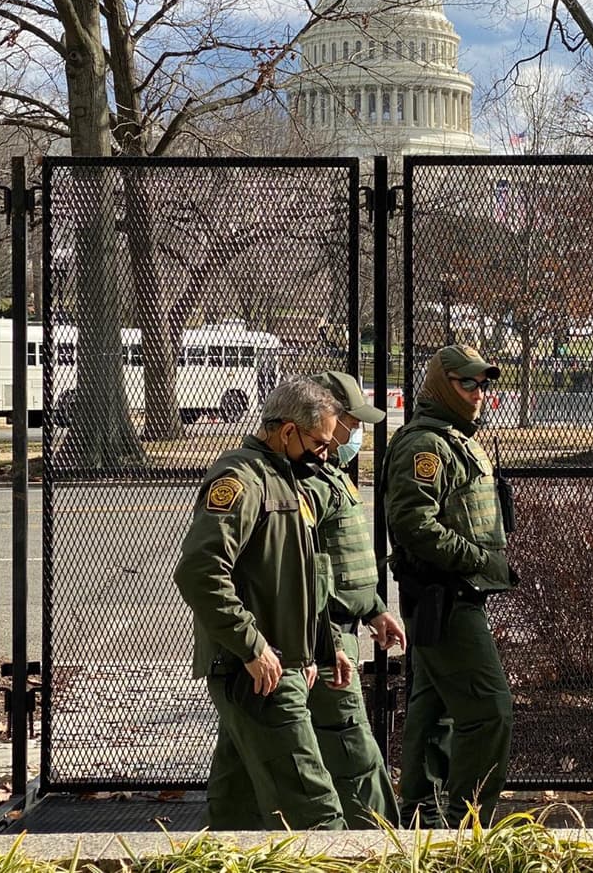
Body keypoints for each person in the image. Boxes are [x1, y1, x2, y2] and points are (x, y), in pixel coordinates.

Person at [173, 376, 352, 831]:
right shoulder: (242, 479)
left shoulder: (284, 476)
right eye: (318, 441)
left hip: (277, 665)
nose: (326, 453)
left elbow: (300, 577)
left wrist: (319, 649)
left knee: (239, 811)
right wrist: (253, 647)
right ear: (286, 431)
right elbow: (200, 571)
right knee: (315, 810)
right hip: (257, 670)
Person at [384, 344, 517, 828]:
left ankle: (421, 818)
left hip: (452, 595)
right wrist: (478, 560)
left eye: (483, 385)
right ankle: (467, 823)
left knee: (433, 706)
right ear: (442, 386)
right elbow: (413, 522)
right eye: (468, 384)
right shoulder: (426, 445)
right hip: (445, 595)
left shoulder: (451, 438)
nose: (479, 393)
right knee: (490, 712)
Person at [303, 370, 405, 827]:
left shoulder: (330, 474)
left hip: (340, 630)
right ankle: (380, 842)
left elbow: (345, 561)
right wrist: (325, 641)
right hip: (324, 638)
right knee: (352, 746)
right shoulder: (304, 483)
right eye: (351, 423)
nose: (357, 434)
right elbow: (298, 576)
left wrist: (375, 609)